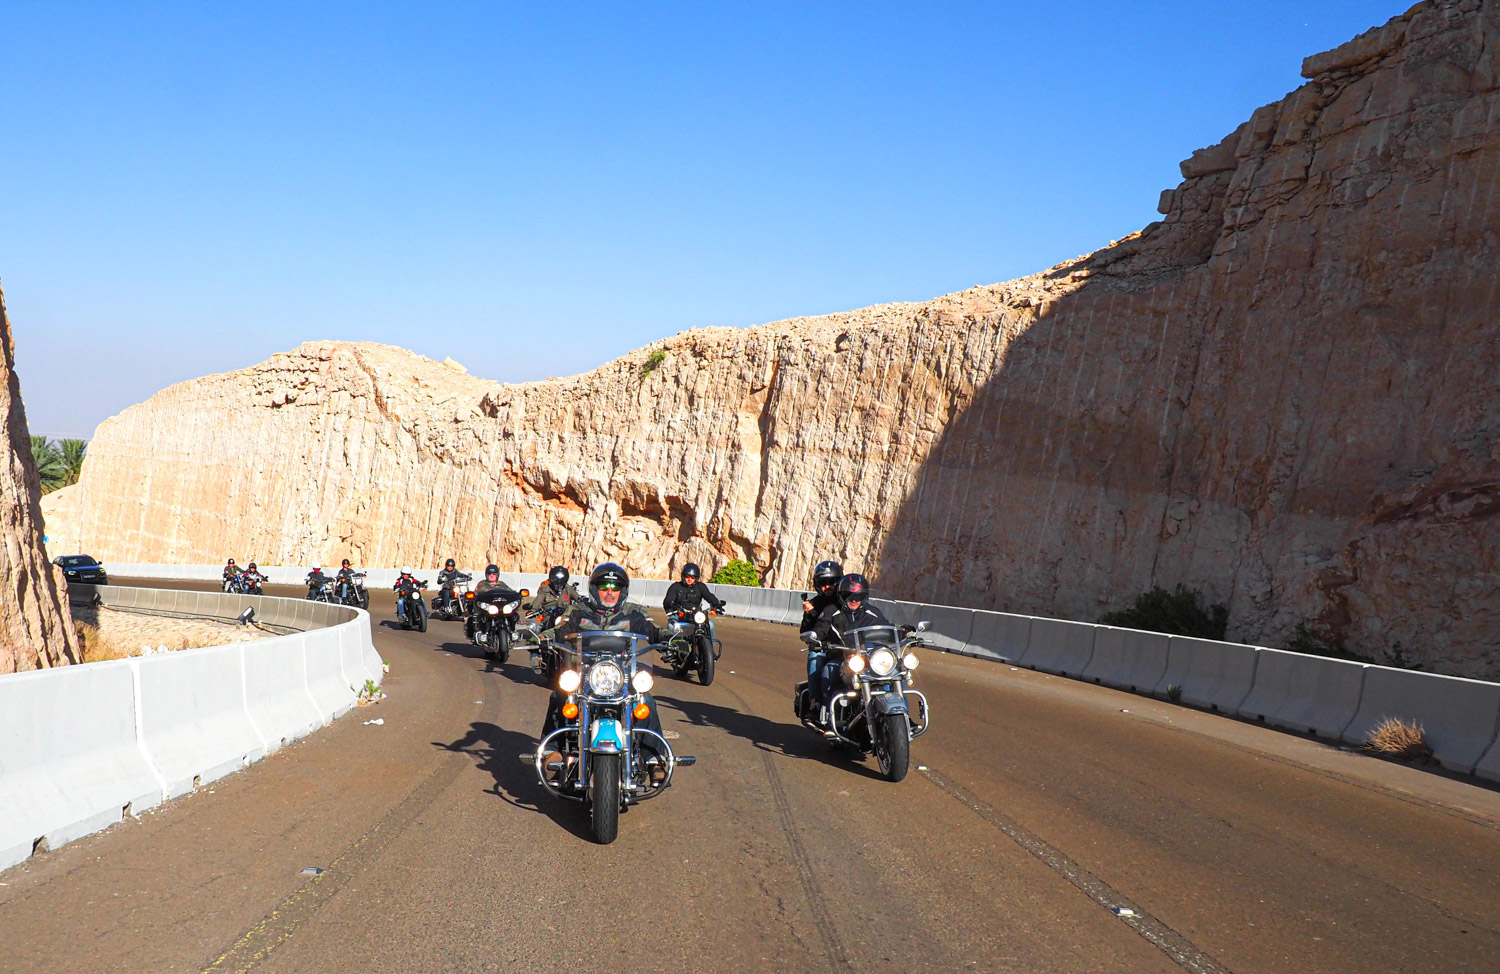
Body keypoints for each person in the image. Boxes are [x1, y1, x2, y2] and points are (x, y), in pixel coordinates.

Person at [540, 562, 668, 784]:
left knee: (645, 701)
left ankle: (654, 759)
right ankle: (552, 751)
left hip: (623, 677)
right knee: (560, 695)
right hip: (586, 675)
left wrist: (670, 637)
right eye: (604, 586)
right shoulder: (579, 611)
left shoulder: (635, 613)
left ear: (622, 591)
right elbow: (561, 630)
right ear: (594, 589)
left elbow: (653, 630)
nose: (610, 592)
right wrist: (541, 637)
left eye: (615, 587)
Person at [810, 573, 892, 723]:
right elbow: (821, 628)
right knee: (828, 670)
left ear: (864, 596)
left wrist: (902, 632)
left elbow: (887, 628)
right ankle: (829, 716)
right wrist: (815, 637)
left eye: (858, 596)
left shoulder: (873, 612)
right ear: (841, 595)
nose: (853, 600)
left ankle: (901, 716)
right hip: (842, 658)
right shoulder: (831, 610)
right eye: (848, 595)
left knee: (895, 672)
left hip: (869, 660)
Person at [799, 560, 843, 709]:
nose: (828, 586)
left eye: (832, 582)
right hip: (825, 647)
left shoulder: (847, 600)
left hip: (849, 647)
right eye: (823, 582)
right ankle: (815, 700)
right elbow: (805, 632)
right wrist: (809, 615)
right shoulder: (814, 603)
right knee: (815, 657)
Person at [662, 562, 726, 616]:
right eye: (687, 577)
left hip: (696, 614)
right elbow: (669, 599)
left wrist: (717, 605)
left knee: (710, 625)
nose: (690, 579)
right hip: (679, 614)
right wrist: (670, 607)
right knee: (672, 626)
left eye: (692, 577)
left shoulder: (700, 586)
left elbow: (709, 596)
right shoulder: (676, 586)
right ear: (683, 577)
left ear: (696, 578)